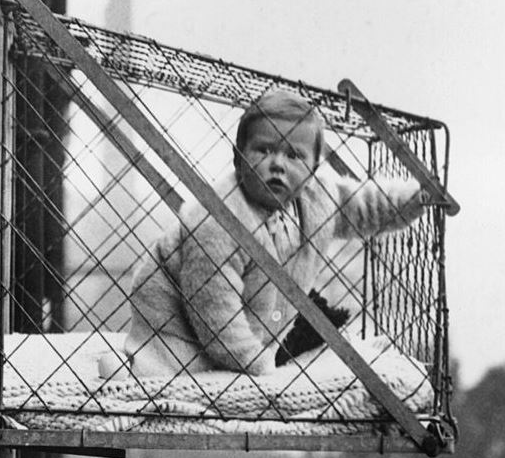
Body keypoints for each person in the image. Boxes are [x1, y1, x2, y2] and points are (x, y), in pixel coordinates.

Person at [102, 89, 430, 379]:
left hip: (255, 317)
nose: (278, 164)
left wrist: (416, 199)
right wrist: (255, 365)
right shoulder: (218, 221)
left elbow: (366, 207)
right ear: (238, 158)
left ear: (314, 169)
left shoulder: (317, 198)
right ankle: (132, 364)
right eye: (263, 150)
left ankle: (250, 354)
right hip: (175, 321)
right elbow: (215, 310)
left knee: (278, 343)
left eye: (294, 155)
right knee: (171, 369)